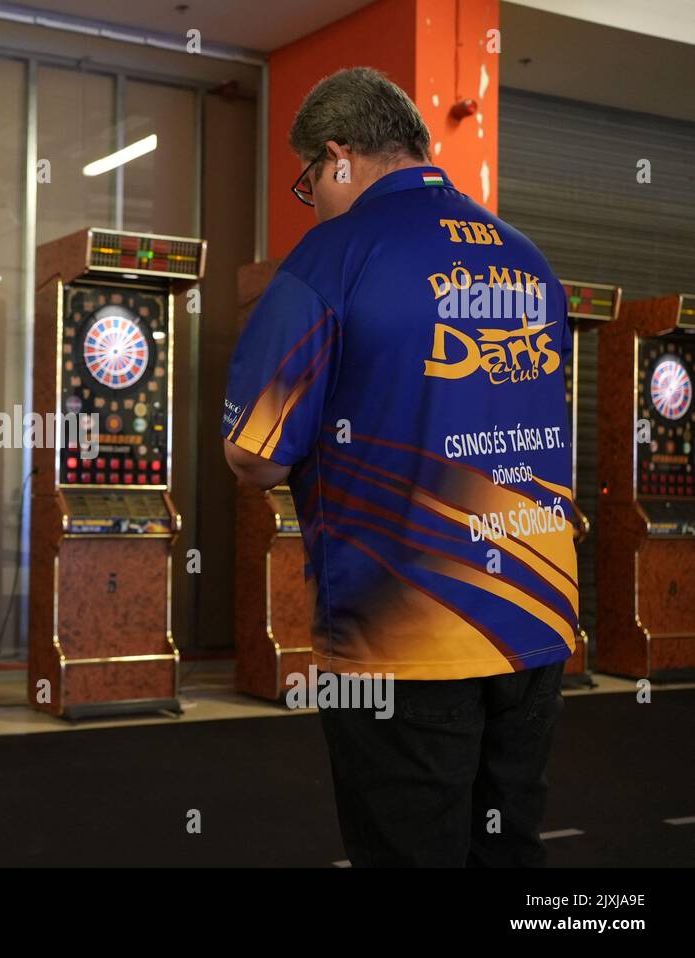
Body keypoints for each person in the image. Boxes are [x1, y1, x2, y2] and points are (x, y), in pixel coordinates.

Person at [222, 67, 577, 866]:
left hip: (403, 640)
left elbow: (253, 454)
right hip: (536, 622)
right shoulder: (529, 261)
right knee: (508, 847)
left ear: (337, 156)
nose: (309, 200)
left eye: (307, 182)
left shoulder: (328, 260)